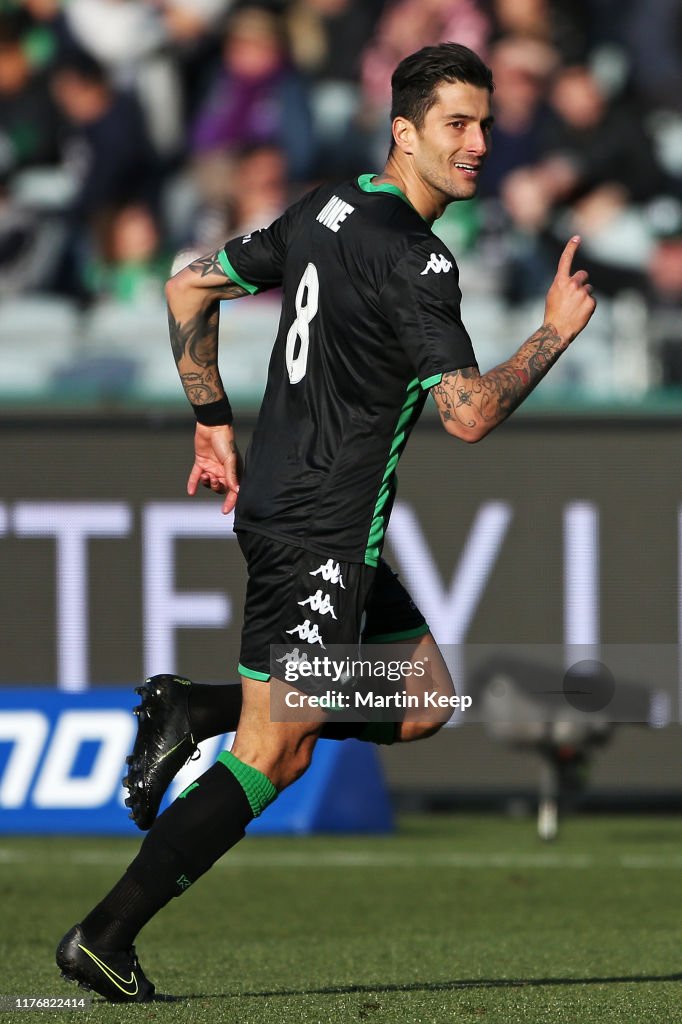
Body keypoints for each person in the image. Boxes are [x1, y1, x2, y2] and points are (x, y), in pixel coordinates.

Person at [56, 41, 595, 1002]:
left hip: (296, 513)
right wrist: (553, 329)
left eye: (484, 123)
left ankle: (198, 708)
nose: (477, 143)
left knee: (425, 697)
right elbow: (467, 414)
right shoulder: (417, 257)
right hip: (320, 532)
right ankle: (104, 935)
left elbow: (188, 284)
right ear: (405, 133)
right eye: (456, 125)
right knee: (280, 748)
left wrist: (211, 423)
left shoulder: (327, 208)